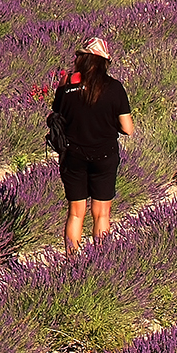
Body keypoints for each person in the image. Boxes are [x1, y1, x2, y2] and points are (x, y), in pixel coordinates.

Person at [52, 37, 135, 253]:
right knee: (102, 213)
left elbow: (58, 111)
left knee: (76, 213)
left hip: (73, 155)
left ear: (82, 59)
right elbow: (128, 128)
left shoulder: (67, 82)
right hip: (104, 155)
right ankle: (100, 260)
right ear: (103, 62)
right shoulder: (114, 87)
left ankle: (72, 262)